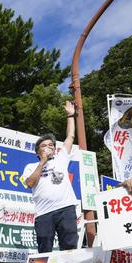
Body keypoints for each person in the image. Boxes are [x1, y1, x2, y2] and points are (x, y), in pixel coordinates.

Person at [22, 101, 79, 253]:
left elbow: (70, 136)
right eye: (44, 146)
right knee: (44, 251)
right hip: (44, 213)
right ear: (37, 151)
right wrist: (42, 162)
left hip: (65, 208)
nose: (49, 147)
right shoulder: (31, 167)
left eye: (51, 145)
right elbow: (30, 183)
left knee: (69, 248)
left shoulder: (61, 158)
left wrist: (70, 115)